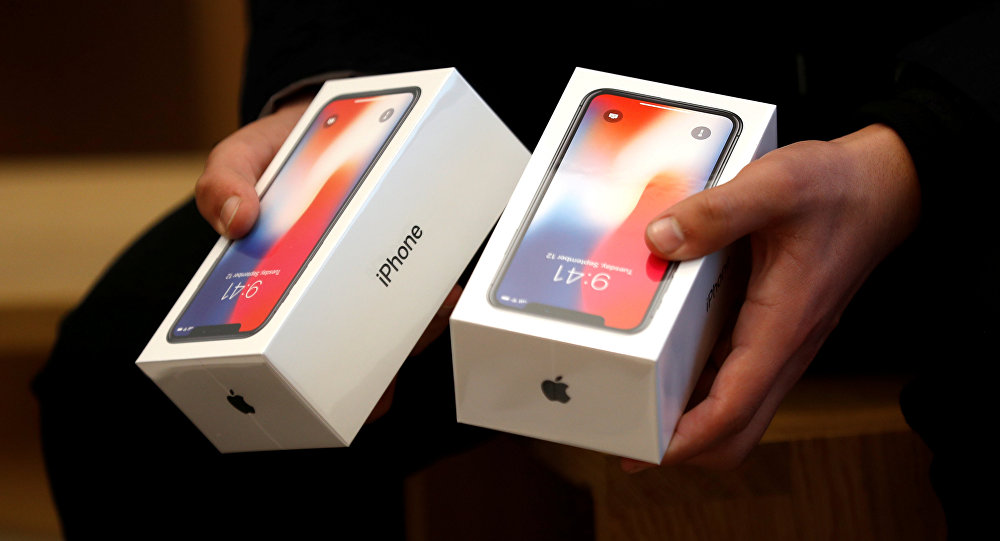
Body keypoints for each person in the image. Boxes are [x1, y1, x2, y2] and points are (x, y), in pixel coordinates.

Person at [35, 1, 996, 537]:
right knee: (126, 389)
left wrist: (933, 138)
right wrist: (348, 95)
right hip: (518, 118)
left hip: (932, 111)